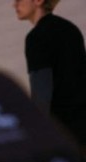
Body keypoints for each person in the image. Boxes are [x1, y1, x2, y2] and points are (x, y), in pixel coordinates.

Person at [14, 0, 86, 146]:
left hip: (65, 130)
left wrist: (38, 132)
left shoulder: (36, 37)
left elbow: (41, 89)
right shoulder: (69, 28)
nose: (14, 5)